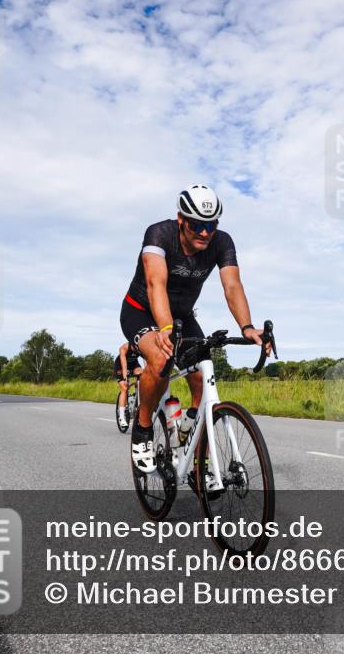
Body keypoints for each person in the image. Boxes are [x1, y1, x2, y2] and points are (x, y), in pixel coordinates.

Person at [119, 184, 271, 473]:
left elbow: (232, 285)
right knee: (162, 358)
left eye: (211, 224)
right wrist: (163, 328)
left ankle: (191, 430)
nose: (204, 232)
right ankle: (142, 429)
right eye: (197, 225)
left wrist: (248, 326)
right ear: (181, 219)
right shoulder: (159, 234)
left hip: (182, 316)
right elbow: (155, 284)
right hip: (141, 311)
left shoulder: (221, 242)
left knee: (202, 373)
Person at [114, 342, 143, 428]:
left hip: (134, 364)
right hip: (121, 365)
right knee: (124, 387)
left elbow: (146, 360)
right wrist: (125, 377)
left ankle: (136, 400)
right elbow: (124, 364)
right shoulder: (124, 348)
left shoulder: (142, 346)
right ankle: (122, 416)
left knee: (143, 375)